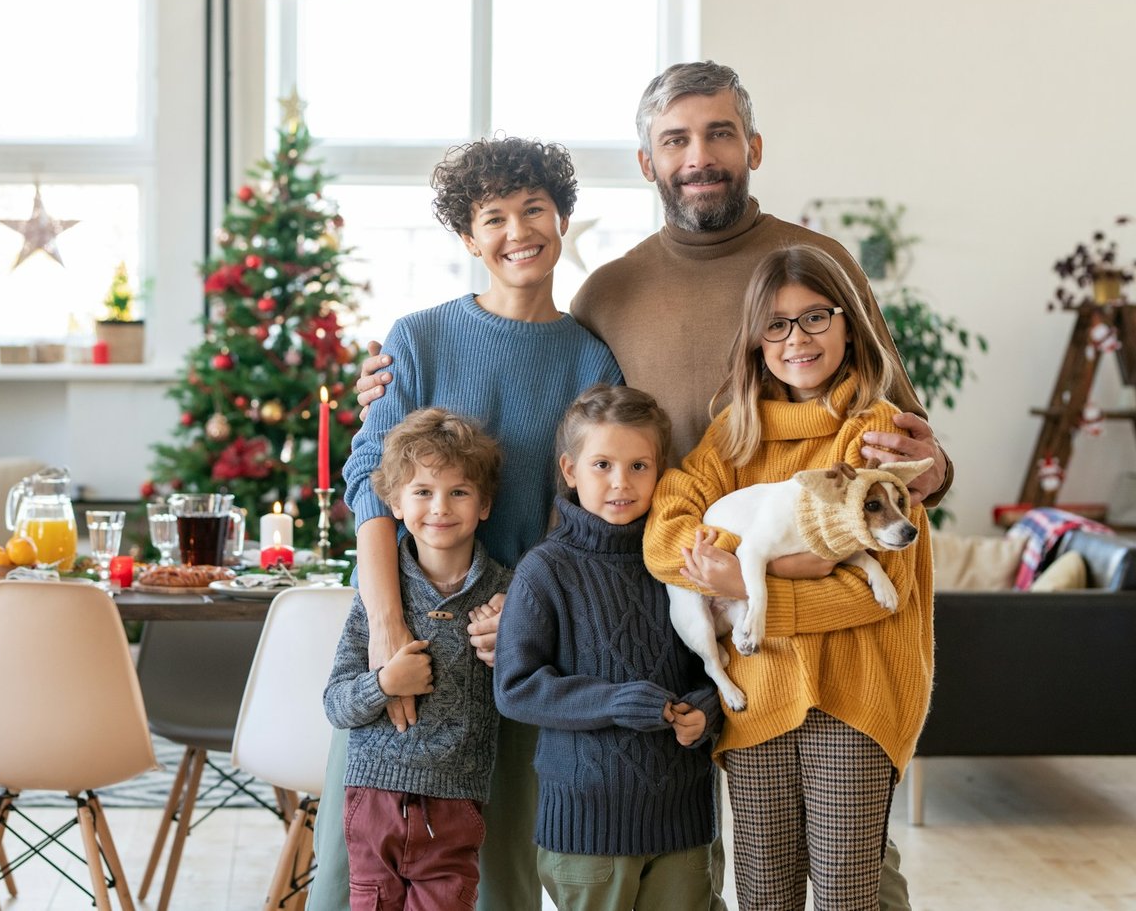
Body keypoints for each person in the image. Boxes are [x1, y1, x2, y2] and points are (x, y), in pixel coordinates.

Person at [354, 61, 950, 910]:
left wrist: (930, 467)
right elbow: (570, 433)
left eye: (717, 134)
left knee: (852, 872)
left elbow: (907, 439)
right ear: (647, 163)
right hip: (662, 600)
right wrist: (382, 390)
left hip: (821, 637)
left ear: (752, 145)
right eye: (676, 139)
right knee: (734, 860)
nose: (698, 156)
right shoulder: (610, 292)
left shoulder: (818, 264)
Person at [310, 136, 626, 911]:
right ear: (467, 237)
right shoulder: (418, 338)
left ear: (562, 217)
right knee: (347, 876)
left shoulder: (593, 364)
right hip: (404, 639)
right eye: (494, 216)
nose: (518, 230)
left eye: (534, 209)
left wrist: (521, 612)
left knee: (498, 879)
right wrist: (386, 625)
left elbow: (583, 514)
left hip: (514, 643)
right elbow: (370, 483)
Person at [645, 244, 934, 910]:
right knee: (763, 896)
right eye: (776, 324)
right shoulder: (734, 434)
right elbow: (666, 532)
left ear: (849, 325)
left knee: (845, 896)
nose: (795, 338)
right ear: (755, 340)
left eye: (814, 317)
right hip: (757, 697)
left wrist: (748, 581)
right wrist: (741, 561)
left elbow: (876, 594)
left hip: (854, 698)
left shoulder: (876, 434)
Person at [496, 384, 722, 910]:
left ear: (661, 469)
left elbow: (716, 662)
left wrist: (706, 710)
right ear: (571, 470)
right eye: (602, 465)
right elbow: (517, 688)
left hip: (684, 821)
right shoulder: (546, 570)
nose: (621, 482)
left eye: (639, 466)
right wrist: (618, 702)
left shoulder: (681, 560)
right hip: (586, 830)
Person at [324, 408, 514, 910]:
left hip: (455, 808)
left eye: (458, 491)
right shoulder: (376, 592)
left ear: (485, 503)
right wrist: (384, 682)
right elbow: (335, 705)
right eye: (423, 492)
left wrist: (508, 652)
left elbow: (527, 691)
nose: (440, 507)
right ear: (394, 500)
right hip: (372, 805)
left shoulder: (507, 594)